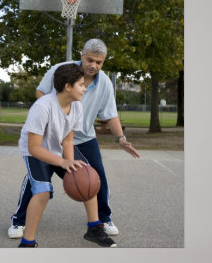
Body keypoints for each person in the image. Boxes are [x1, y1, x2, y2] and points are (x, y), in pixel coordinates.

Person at [9, 38, 140, 239]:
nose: (94, 65)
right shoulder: (61, 70)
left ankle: (102, 220)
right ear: (82, 55)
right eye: (90, 60)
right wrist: (53, 119)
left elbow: (110, 114)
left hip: (82, 136)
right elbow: (41, 92)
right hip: (52, 134)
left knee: (94, 175)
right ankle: (19, 221)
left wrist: (121, 138)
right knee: (37, 180)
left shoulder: (103, 82)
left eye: (99, 62)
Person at [17, 63, 116, 248]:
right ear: (68, 86)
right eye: (81, 84)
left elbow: (68, 139)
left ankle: (94, 229)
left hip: (58, 147)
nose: (84, 88)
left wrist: (70, 163)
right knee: (42, 192)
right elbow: (34, 147)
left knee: (87, 176)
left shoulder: (76, 106)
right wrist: (61, 162)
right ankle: (27, 242)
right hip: (36, 151)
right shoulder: (42, 107)